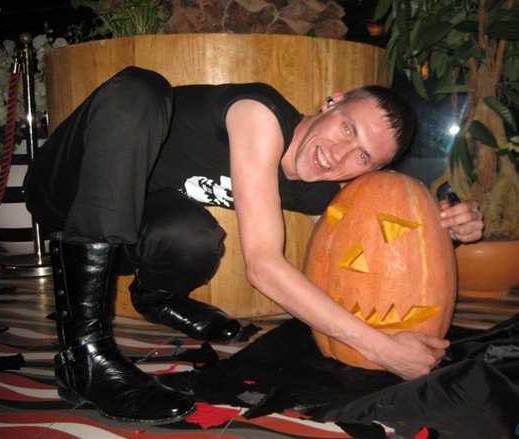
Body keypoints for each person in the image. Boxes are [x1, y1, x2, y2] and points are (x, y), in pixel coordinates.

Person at [24, 67, 484, 424]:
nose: (339, 155)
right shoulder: (261, 115)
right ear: (332, 102)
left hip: (123, 230)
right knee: (142, 89)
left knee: (198, 238)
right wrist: (382, 348)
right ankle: (82, 355)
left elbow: (379, 241)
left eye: (362, 157)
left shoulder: (321, 188)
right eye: (348, 129)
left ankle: (156, 296)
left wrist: (441, 229)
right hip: (64, 186)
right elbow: (263, 266)